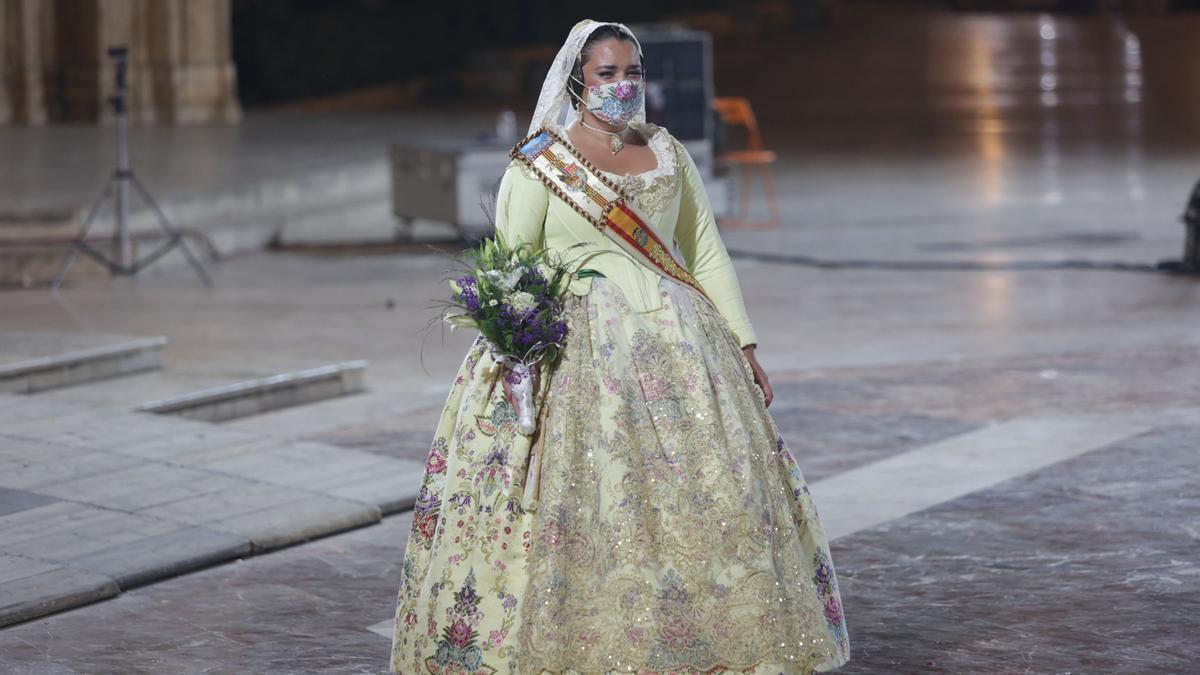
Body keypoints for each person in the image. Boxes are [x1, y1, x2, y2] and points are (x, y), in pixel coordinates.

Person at [390, 19, 850, 674]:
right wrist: (513, 353)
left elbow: (706, 253)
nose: (622, 84)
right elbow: (511, 265)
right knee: (589, 506)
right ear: (578, 79)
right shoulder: (539, 163)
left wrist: (744, 343)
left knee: (705, 503)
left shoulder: (667, 152)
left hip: (684, 351)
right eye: (608, 73)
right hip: (573, 360)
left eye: (632, 72)